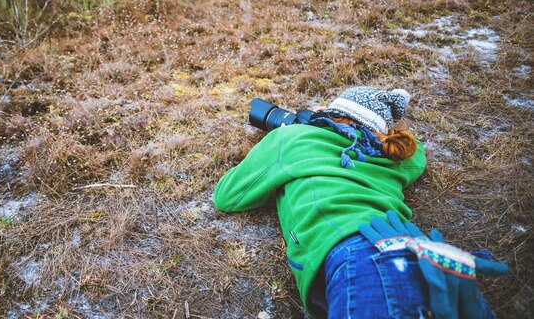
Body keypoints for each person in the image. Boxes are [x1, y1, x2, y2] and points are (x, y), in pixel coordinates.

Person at [213, 86, 502, 318]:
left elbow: (226, 196)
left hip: (363, 254)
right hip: (421, 252)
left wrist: (289, 132)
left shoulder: (294, 138)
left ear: (331, 114)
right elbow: (417, 155)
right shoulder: (394, 159)